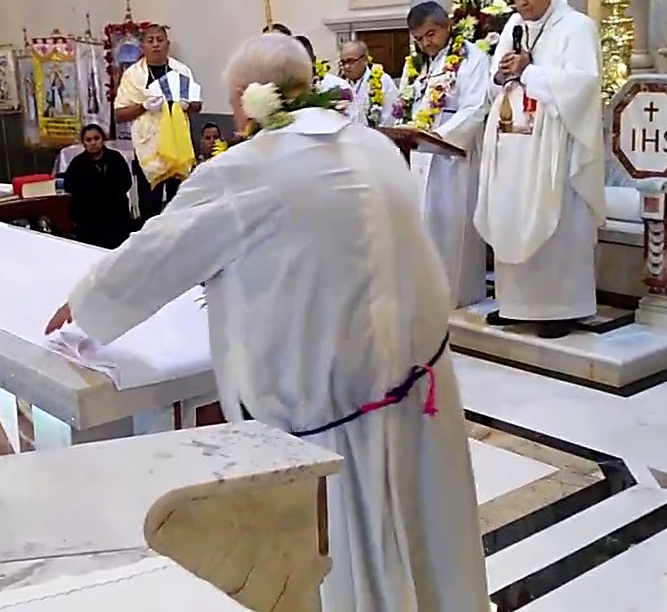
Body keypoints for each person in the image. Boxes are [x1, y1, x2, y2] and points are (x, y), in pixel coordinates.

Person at [44, 33, 487, 611]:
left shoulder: (249, 168)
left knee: (349, 555)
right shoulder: (375, 146)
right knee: (425, 533)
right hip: (419, 388)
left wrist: (86, 303)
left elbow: (161, 248)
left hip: (332, 407)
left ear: (246, 100)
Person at [475, 0, 604, 338]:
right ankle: (515, 304)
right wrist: (500, 76)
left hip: (553, 146)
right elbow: (495, 83)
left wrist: (529, 71)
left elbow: (582, 85)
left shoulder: (577, 27)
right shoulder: (514, 26)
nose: (522, 2)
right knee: (511, 215)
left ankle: (558, 309)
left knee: (555, 223)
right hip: (511, 143)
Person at [401, 1, 492, 307]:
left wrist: (440, 136)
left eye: (431, 34)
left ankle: (457, 297)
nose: (426, 43)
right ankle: (426, 298)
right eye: (419, 38)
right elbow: (408, 105)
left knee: (452, 233)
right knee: (422, 231)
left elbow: (476, 107)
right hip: (420, 158)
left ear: (446, 26)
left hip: (452, 159)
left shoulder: (471, 58)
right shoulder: (419, 64)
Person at [114, 24, 201, 221]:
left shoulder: (181, 70)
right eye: (150, 41)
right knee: (150, 208)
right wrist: (143, 106)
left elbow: (198, 104)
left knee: (180, 205)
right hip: (149, 147)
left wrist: (188, 105)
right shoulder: (133, 76)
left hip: (178, 145)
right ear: (143, 46)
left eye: (160, 40)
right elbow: (119, 113)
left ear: (167, 45)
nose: (156, 45)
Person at [64, 123, 133, 249]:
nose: (93, 143)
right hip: (89, 219)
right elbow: (70, 187)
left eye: (96, 138)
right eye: (88, 140)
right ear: (83, 143)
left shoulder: (115, 158)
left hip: (115, 215)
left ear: (103, 139)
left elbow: (126, 182)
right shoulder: (77, 163)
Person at [331, 39, 401, 128]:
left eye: (351, 61)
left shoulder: (382, 81)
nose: (346, 66)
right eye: (343, 62)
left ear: (364, 60)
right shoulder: (339, 85)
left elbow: (390, 118)